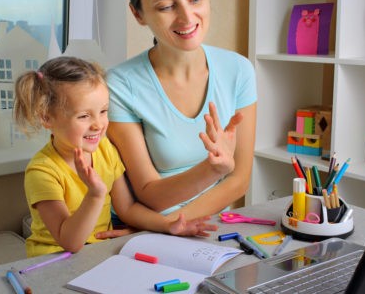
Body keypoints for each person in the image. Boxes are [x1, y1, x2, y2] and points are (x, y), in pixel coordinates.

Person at [105, 0, 257, 223]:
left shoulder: (238, 70)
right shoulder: (119, 84)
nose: (187, 17)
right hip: (144, 228)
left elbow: (239, 180)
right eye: (166, 6)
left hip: (199, 228)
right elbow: (150, 194)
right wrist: (212, 170)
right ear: (138, 14)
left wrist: (171, 226)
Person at [14, 56, 217, 257]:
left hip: (96, 254)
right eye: (84, 116)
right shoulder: (42, 172)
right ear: (46, 118)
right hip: (52, 261)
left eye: (103, 111)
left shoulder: (105, 149)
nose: (98, 124)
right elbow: (70, 243)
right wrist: (95, 194)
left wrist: (168, 225)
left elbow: (127, 208)